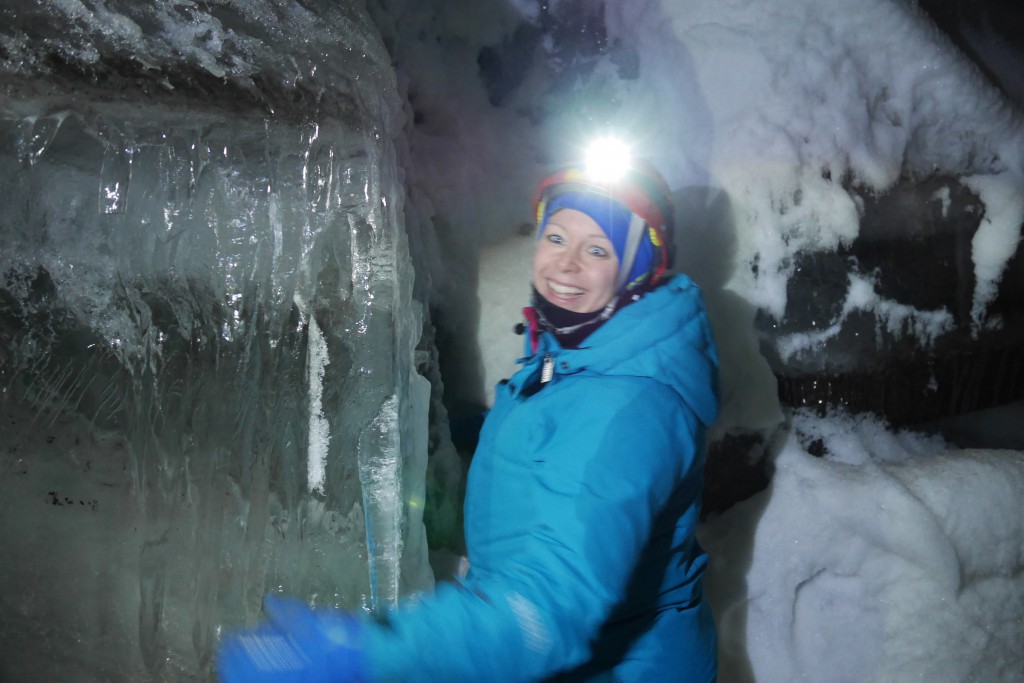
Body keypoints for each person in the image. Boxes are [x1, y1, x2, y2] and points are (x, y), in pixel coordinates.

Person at [218, 157, 720, 683]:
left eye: (597, 249)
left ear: (639, 269)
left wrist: (367, 656)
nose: (565, 264)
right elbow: (571, 444)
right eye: (556, 237)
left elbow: (545, 613)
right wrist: (481, 434)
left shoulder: (630, 408)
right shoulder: (583, 354)